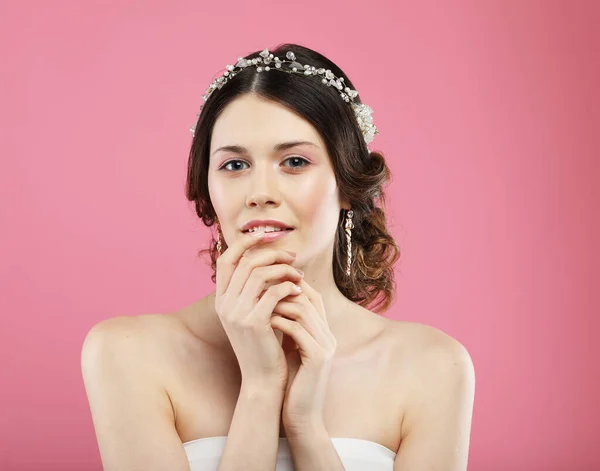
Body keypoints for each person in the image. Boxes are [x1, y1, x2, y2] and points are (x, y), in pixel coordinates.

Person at [81, 43, 475, 471]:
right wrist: (261, 389)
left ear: (346, 184)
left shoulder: (433, 367)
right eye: (234, 165)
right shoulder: (127, 353)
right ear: (207, 188)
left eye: (294, 161)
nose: (260, 193)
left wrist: (305, 425)